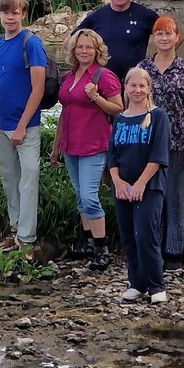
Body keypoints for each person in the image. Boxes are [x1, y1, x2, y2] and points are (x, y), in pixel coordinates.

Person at [51, 28, 124, 271]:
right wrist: (55, 145)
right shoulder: (70, 76)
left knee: (90, 196)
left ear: (97, 51)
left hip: (94, 143)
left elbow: (118, 108)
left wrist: (96, 98)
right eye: (80, 47)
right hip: (71, 143)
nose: (84, 51)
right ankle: (87, 242)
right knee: (80, 193)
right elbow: (65, 111)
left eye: (89, 47)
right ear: (74, 50)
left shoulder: (103, 76)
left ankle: (102, 249)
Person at [139, 15, 184, 271]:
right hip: (149, 142)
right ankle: (152, 249)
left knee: (176, 197)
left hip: (178, 140)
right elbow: (135, 104)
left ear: (178, 37)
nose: (164, 38)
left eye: (168, 34)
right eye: (159, 34)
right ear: (154, 38)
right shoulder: (144, 67)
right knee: (152, 198)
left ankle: (174, 251)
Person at [0, 0, 47, 249]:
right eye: (5, 12)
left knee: (29, 178)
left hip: (26, 126)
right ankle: (14, 230)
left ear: (23, 14)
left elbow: (38, 89)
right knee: (10, 179)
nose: (10, 17)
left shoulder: (31, 43)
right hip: (1, 123)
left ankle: (27, 238)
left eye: (15, 12)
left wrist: (22, 125)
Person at [108, 66, 172, 304]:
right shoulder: (121, 119)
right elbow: (112, 156)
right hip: (123, 187)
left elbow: (158, 156)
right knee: (129, 237)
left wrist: (141, 184)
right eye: (132, 85)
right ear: (125, 88)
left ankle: (156, 285)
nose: (137, 90)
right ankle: (137, 283)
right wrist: (118, 182)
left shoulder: (158, 117)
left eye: (141, 86)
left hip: (150, 186)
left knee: (146, 235)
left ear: (148, 89)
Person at [75, 0, 159, 83]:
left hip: (135, 83)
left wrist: (157, 63)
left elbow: (174, 36)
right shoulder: (97, 16)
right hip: (103, 81)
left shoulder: (145, 15)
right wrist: (86, 65)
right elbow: (70, 43)